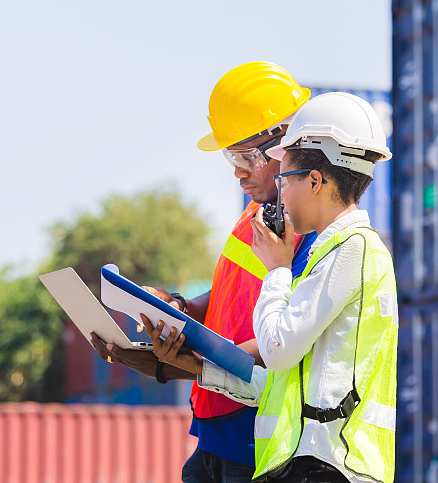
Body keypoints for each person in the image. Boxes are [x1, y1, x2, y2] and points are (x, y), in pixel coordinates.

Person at [142, 92, 398, 483]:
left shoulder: (353, 250)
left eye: (285, 178)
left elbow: (277, 350)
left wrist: (277, 270)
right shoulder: (330, 253)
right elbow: (283, 383)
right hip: (303, 462)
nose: (281, 190)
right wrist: (195, 367)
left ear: (314, 181)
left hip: (333, 465)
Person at [90, 61, 318, 483]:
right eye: (232, 156)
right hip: (213, 424)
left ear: (287, 144)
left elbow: (284, 341)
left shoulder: (314, 232)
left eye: (247, 155)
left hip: (257, 437)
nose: (238, 170)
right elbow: (224, 302)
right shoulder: (254, 216)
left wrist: (181, 362)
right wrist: (175, 308)